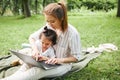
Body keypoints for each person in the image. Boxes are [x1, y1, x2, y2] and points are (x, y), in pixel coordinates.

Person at [0, 1, 82, 80]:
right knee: (27, 65)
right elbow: (32, 37)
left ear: (62, 18)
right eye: (47, 21)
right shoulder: (49, 26)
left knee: (37, 71)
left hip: (62, 65)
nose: (49, 24)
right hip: (45, 60)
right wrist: (35, 50)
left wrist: (58, 60)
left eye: (52, 21)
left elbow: (76, 57)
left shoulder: (72, 33)